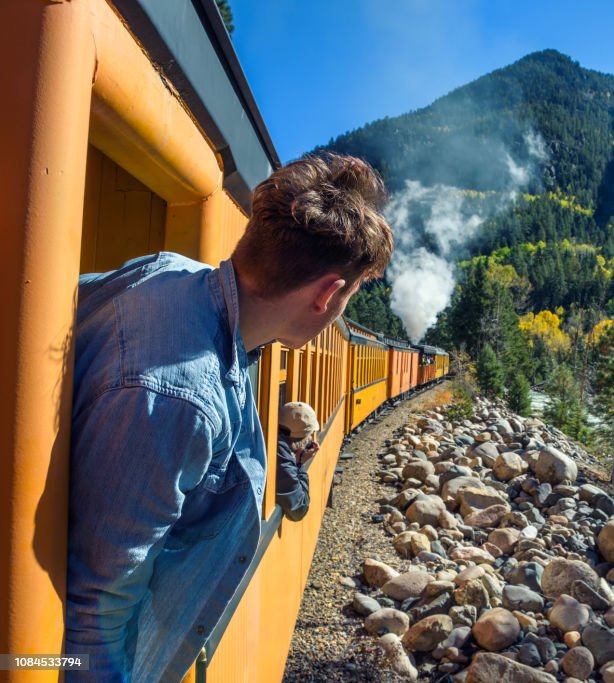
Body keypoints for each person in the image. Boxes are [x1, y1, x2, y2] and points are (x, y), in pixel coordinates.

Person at [64, 154, 393, 682]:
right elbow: (94, 612)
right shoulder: (180, 399)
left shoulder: (168, 271)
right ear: (328, 293)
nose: (342, 310)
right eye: (348, 296)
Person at [276, 402, 320, 522]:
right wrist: (300, 465)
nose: (311, 439)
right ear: (300, 438)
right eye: (309, 435)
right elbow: (299, 509)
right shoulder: (280, 454)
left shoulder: (273, 439)